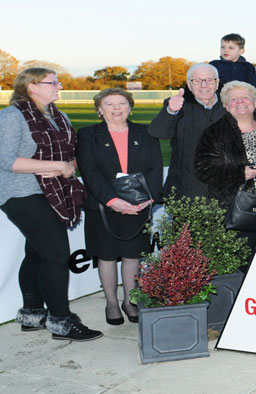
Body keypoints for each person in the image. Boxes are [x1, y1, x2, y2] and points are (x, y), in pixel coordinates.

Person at [0, 67, 102, 341]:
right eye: (52, 82)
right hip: (21, 194)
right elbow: (7, 161)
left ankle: (31, 314)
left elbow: (72, 158)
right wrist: (57, 166)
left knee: (38, 253)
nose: (59, 86)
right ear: (32, 87)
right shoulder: (10, 117)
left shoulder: (59, 117)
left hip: (53, 193)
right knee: (55, 254)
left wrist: (66, 167)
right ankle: (61, 321)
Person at [77, 88, 163, 326]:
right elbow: (89, 171)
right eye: (110, 104)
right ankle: (112, 303)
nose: (117, 109)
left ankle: (129, 300)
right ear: (99, 110)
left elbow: (156, 167)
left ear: (130, 107)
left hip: (138, 205)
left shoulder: (146, 132)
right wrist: (112, 201)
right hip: (104, 206)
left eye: (122, 103)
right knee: (105, 255)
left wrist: (150, 198)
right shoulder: (87, 135)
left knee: (132, 255)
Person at [195, 81, 256, 248]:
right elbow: (202, 169)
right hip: (235, 206)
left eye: (245, 98)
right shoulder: (214, 132)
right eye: (234, 99)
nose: (240, 102)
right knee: (240, 255)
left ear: (255, 103)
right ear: (226, 106)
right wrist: (238, 173)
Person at [148, 63, 226, 199]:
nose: (204, 85)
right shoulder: (179, 105)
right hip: (186, 192)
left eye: (209, 80)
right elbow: (158, 132)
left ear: (217, 82)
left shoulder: (231, 105)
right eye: (197, 81)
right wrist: (171, 111)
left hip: (225, 191)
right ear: (189, 85)